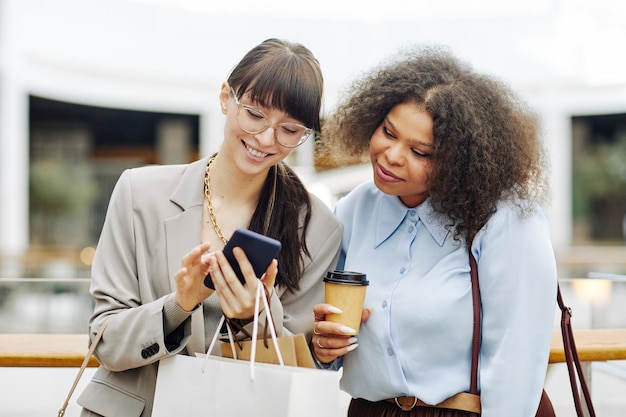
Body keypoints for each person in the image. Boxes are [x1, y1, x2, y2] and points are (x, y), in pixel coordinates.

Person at [77, 38, 343, 417]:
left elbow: (298, 367)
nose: (266, 139)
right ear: (225, 98)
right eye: (254, 114)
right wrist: (178, 305)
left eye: (289, 129)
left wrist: (254, 318)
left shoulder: (317, 227)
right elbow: (103, 341)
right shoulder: (139, 193)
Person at [311, 45, 557, 417]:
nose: (392, 155)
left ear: (460, 161)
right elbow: (333, 335)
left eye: (420, 151)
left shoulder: (505, 220)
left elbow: (516, 361)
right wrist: (325, 348)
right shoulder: (353, 209)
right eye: (388, 132)